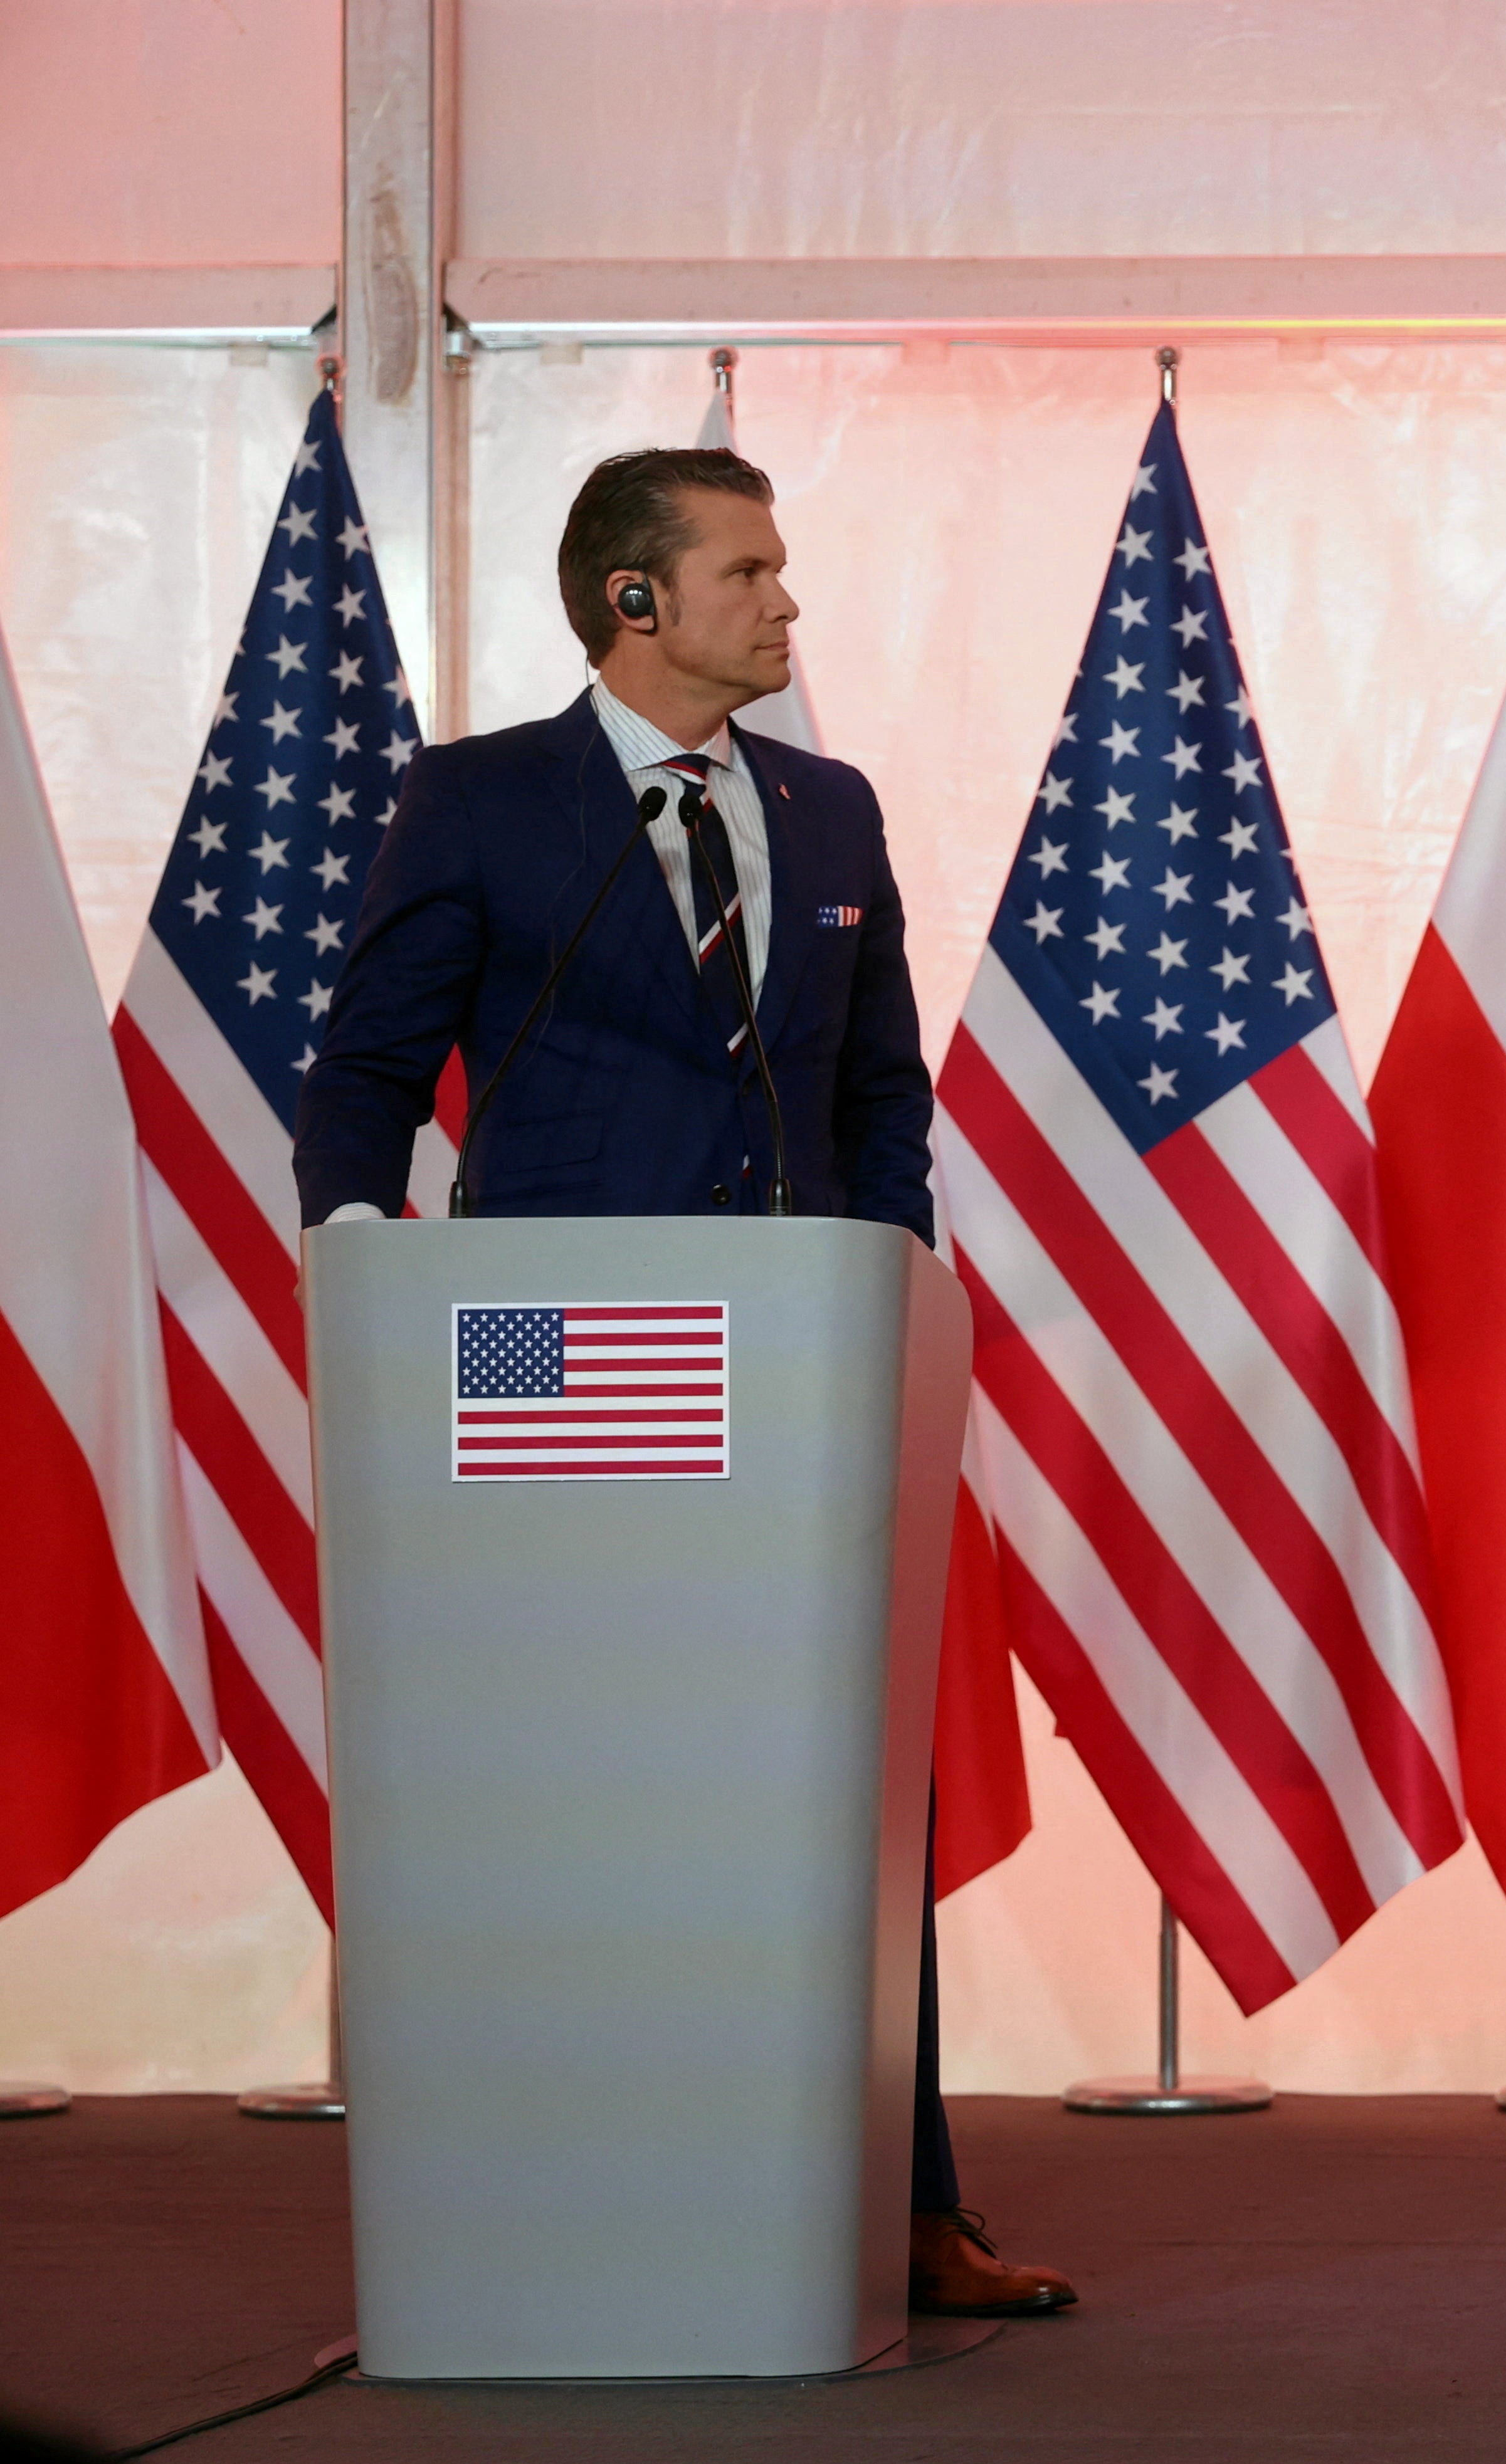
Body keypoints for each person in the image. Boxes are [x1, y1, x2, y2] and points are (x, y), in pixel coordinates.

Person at [293, 447, 1074, 2319]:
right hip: (552, 1376)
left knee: (842, 1773)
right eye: (751, 571)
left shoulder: (831, 810)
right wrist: (352, 1252)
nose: (787, 602)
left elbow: (885, 1095)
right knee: (587, 1763)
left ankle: (898, 2206)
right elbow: (367, 1072)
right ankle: (563, 2179)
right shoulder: (480, 803)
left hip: (801, 1382)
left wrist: (889, 1282)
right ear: (635, 599)